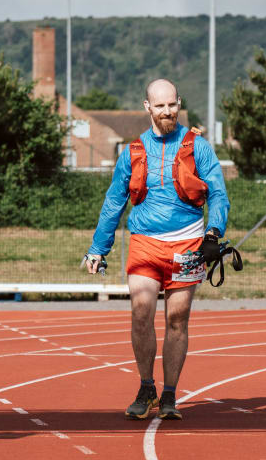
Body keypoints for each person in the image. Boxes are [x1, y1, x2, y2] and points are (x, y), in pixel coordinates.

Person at [83, 78, 230, 420]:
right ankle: (146, 386)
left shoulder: (199, 147)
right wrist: (98, 248)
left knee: (177, 319)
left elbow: (218, 194)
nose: (167, 111)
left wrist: (213, 233)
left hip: (188, 245)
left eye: (172, 104)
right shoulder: (132, 151)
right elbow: (114, 201)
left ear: (179, 103)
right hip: (145, 244)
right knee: (141, 310)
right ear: (147, 107)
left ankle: (169, 395)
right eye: (160, 106)